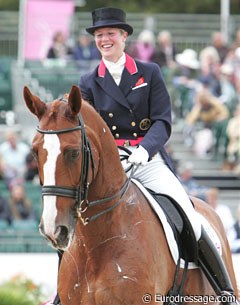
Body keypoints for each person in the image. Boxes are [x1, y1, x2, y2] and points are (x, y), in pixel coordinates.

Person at [48, 7, 237, 305]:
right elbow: (81, 125)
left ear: (124, 36)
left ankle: (225, 289)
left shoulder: (149, 73)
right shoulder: (87, 81)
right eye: (99, 35)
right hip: (108, 165)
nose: (104, 39)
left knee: (189, 216)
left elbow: (163, 121)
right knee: (72, 222)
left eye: (110, 33)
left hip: (146, 159)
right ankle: (62, 294)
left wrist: (144, 151)